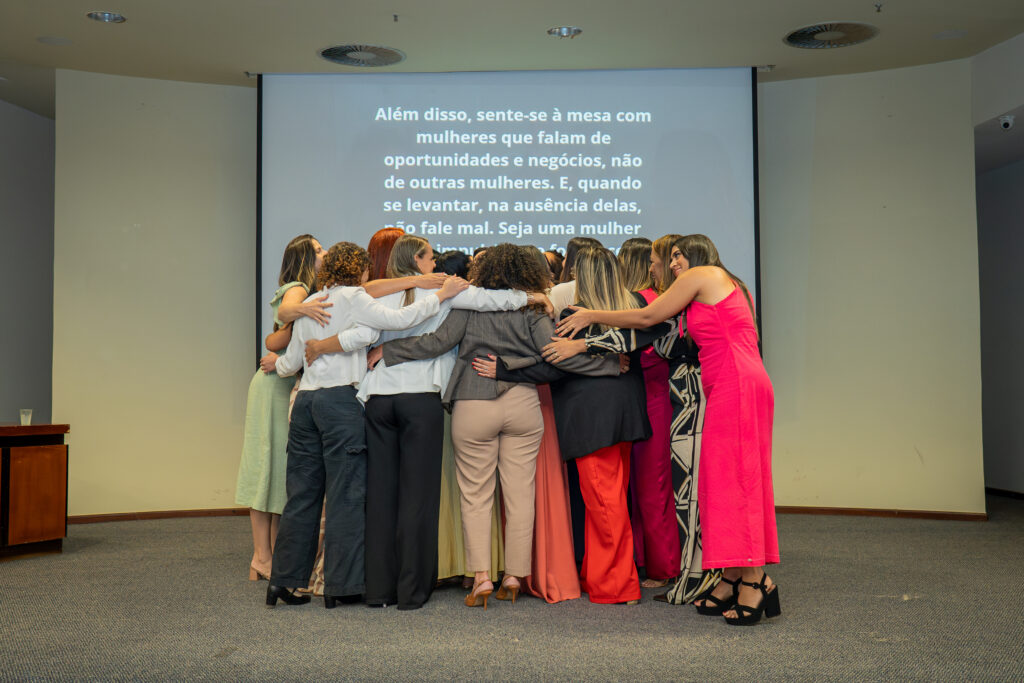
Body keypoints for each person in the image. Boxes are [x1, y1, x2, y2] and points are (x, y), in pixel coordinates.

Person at [373, 244, 619, 609]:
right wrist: (610, 365)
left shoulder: (469, 305)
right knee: (521, 495)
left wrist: (387, 352)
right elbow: (555, 355)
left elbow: (437, 342)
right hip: (522, 403)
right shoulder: (533, 307)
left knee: (476, 496)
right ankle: (515, 576)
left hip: (474, 401)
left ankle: (482, 579)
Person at [556, 234, 780, 625]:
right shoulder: (707, 289)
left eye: (677, 255)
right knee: (720, 483)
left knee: (737, 482)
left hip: (736, 383)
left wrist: (591, 317)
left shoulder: (705, 274)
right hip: (727, 383)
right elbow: (650, 334)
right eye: (670, 257)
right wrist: (588, 345)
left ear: (695, 255)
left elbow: (646, 318)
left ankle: (756, 580)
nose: (671, 263)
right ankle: (731, 575)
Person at [305, 235, 538, 610]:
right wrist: (533, 298)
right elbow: (491, 299)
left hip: (378, 399)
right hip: (420, 399)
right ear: (417, 259)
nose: (436, 265)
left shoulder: (374, 293)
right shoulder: (446, 291)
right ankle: (411, 593)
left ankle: (379, 590)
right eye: (430, 258)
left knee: (381, 497)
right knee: (418, 498)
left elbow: (363, 320)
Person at [265, 242, 469, 608]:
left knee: (302, 494)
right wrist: (440, 295)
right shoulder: (355, 297)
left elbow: (293, 358)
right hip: (339, 402)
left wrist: (274, 366)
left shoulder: (313, 300)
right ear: (357, 270)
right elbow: (399, 321)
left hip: (306, 402)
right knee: (345, 495)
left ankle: (284, 580)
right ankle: (340, 587)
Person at [479, 246, 653, 605]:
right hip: (626, 412)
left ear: (581, 277)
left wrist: (504, 368)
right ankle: (601, 575)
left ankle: (619, 586)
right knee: (611, 499)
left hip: (590, 417)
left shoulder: (573, 315)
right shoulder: (635, 308)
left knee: (604, 504)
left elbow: (552, 363)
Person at [235, 234, 327, 582]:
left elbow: (277, 339)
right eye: (318, 250)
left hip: (285, 381)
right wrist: (306, 309)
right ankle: (261, 557)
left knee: (280, 473)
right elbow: (288, 311)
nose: (325, 253)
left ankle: (272, 554)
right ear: (305, 257)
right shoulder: (299, 287)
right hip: (273, 387)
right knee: (266, 469)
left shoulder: (312, 289)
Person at [616, 238, 680, 589]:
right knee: (647, 487)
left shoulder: (643, 301)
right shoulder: (656, 298)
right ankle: (647, 560)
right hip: (652, 397)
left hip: (651, 398)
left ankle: (663, 565)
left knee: (650, 487)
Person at [549, 237, 602, 314]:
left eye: (565, 257)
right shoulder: (614, 291)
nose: (563, 263)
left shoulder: (558, 292)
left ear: (572, 263)